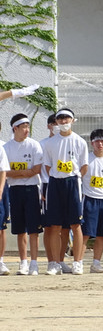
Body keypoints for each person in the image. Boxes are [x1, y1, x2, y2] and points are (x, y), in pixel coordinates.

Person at [42, 108, 88, 275]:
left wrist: (76, 178)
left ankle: (78, 262)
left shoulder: (80, 141)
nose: (63, 121)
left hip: (72, 183)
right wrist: (57, 177)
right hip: (55, 183)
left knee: (75, 224)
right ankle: (54, 263)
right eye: (60, 118)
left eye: (66, 118)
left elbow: (84, 165)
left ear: (73, 120)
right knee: (54, 225)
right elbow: (47, 166)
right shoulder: (50, 143)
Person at [4, 113, 43, 275]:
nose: (27, 130)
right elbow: (5, 172)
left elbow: (36, 170)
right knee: (19, 229)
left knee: (33, 229)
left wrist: (17, 172)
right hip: (15, 190)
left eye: (28, 126)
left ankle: (34, 263)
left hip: (32, 189)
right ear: (15, 128)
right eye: (24, 127)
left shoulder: (34, 145)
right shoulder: (6, 148)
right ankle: (23, 262)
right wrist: (24, 172)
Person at [80, 129, 103, 273]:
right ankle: (79, 261)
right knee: (85, 233)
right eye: (97, 141)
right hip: (89, 199)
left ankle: (96, 263)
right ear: (92, 143)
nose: (100, 144)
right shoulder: (86, 160)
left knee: (102, 234)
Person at [0, 136, 9, 275]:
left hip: (1, 190)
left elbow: (3, 170)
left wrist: (0, 190)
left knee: (1, 228)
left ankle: (0, 261)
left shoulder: (2, 146)